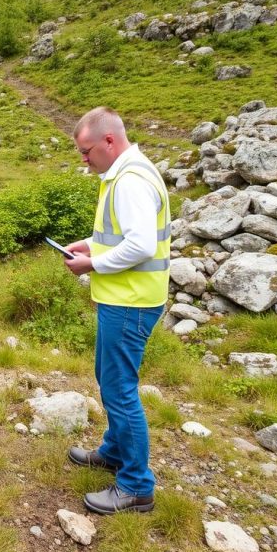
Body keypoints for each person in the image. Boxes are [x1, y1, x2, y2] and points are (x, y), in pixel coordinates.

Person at [61, 107, 171, 515]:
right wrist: (91, 244)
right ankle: (114, 451)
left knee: (120, 391)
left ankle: (136, 486)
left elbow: (141, 245)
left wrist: (92, 264)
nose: (84, 160)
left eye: (87, 151)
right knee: (109, 381)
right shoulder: (128, 172)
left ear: (110, 141)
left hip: (130, 302)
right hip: (125, 299)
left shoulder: (130, 181)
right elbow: (125, 234)